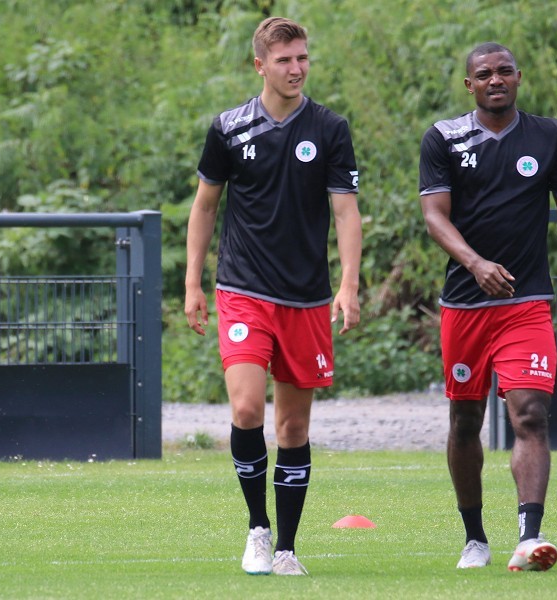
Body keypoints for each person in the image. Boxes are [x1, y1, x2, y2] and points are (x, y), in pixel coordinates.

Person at [418, 42, 557, 572]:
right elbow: (435, 217)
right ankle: (474, 537)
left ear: (520, 77)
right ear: (470, 85)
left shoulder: (550, 138)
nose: (495, 79)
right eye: (484, 74)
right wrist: (476, 264)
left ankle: (529, 536)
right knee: (464, 421)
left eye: (505, 71)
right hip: (463, 306)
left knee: (531, 415)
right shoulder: (443, 138)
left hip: (526, 305)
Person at [184, 16, 362, 576]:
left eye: (303, 57)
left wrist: (349, 283)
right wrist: (191, 282)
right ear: (260, 65)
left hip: (306, 299)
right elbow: (205, 206)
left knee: (292, 429)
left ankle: (287, 547)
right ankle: (257, 529)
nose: (297, 68)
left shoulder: (330, 128)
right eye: (284, 60)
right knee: (244, 407)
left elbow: (345, 211)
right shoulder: (229, 128)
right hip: (242, 289)